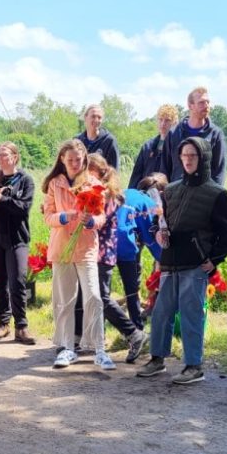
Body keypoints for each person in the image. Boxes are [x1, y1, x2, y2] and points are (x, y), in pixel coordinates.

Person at [135, 137, 227, 385]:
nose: (188, 160)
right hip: (170, 261)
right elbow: (158, 222)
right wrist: (157, 233)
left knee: (191, 315)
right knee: (161, 313)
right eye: (184, 155)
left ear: (203, 158)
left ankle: (194, 366)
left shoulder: (217, 193)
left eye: (193, 155)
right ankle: (157, 359)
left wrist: (214, 259)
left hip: (196, 263)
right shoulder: (170, 190)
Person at [43, 139, 113, 370]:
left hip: (86, 247)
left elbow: (102, 217)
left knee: (93, 295)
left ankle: (99, 349)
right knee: (64, 301)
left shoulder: (93, 183)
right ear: (62, 159)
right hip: (62, 247)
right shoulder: (55, 183)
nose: (74, 163)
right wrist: (65, 217)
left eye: (78, 159)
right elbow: (48, 217)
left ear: (84, 159)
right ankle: (67, 348)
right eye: (70, 159)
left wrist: (91, 221)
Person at [81, 154, 146, 363]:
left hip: (103, 251)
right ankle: (93, 341)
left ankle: (134, 334)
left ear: (99, 172)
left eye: (87, 170)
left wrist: (85, 217)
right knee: (93, 297)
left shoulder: (111, 196)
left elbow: (100, 219)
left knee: (102, 298)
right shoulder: (96, 192)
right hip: (91, 251)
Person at [0, 141, 37, 344]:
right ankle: (3, 324)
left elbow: (24, 207)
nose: (1, 158)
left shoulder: (25, 180)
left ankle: (21, 327)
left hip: (17, 238)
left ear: (15, 157)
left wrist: (2, 200)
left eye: (5, 154)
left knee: (18, 281)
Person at [115, 178, 161, 342]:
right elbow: (151, 238)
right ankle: (136, 330)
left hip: (103, 243)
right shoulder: (148, 203)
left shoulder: (127, 192)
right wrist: (164, 258)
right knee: (132, 289)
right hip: (125, 244)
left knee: (102, 293)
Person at [160, 87, 227, 187]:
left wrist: (214, 198)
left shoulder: (215, 135)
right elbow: (164, 169)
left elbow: (219, 172)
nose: (206, 106)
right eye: (201, 103)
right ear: (190, 106)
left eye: (208, 102)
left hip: (204, 197)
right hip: (177, 196)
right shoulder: (174, 134)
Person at [127, 104, 179, 189]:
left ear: (174, 123)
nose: (163, 124)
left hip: (168, 195)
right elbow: (136, 175)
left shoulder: (179, 148)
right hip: (146, 194)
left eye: (167, 120)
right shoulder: (148, 146)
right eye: (160, 120)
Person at [75, 103, 120, 171]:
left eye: (99, 117)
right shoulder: (77, 140)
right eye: (93, 116)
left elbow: (114, 171)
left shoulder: (109, 141)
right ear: (85, 117)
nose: (96, 120)